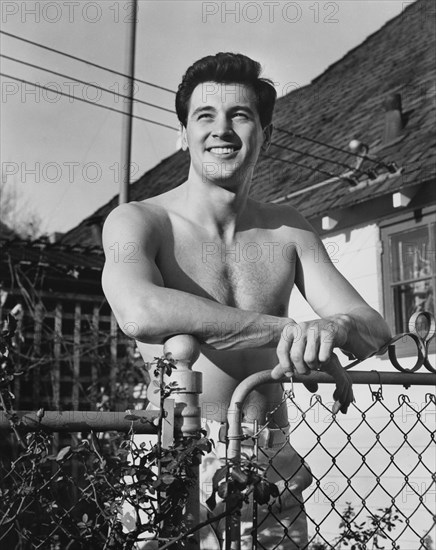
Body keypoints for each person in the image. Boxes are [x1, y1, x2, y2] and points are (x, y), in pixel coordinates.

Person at [101, 52, 391, 548]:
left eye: (240, 115)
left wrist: (335, 329)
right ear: (184, 134)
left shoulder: (289, 229)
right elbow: (141, 312)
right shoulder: (139, 221)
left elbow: (375, 329)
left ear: (265, 133)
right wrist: (290, 332)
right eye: (204, 116)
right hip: (176, 454)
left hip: (270, 457)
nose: (222, 130)